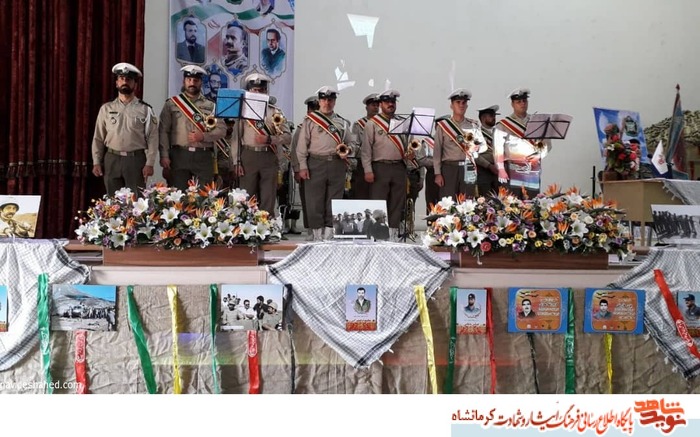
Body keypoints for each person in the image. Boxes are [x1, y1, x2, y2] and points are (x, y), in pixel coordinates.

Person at [91, 62, 158, 196]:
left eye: (129, 79)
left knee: (136, 201)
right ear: (117, 83)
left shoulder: (146, 110)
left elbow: (153, 138)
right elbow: (98, 138)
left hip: (135, 161)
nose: (125, 82)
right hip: (112, 159)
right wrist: (96, 161)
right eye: (121, 79)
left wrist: (150, 163)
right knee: (113, 202)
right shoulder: (106, 109)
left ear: (135, 85)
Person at [296, 86, 352, 240]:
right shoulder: (310, 121)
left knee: (334, 200)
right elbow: (302, 146)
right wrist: (303, 166)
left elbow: (352, 143)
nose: (327, 103)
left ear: (334, 101)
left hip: (336, 164)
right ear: (319, 101)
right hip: (315, 162)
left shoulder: (342, 122)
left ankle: (329, 236)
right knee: (314, 201)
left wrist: (348, 150)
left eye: (330, 100)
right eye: (324, 99)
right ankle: (316, 236)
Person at [231, 72, 291, 215]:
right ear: (249, 91)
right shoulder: (243, 111)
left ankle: (267, 224)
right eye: (255, 90)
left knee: (268, 196)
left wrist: (270, 139)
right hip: (248, 155)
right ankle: (247, 224)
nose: (258, 93)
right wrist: (236, 161)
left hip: (269, 156)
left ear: (266, 91)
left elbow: (288, 137)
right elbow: (236, 138)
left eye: (261, 90)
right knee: (247, 196)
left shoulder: (275, 111)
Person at [159, 64, 227, 190]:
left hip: (203, 156)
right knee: (178, 196)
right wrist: (164, 155)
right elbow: (163, 131)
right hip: (179, 155)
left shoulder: (211, 106)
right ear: (184, 81)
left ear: (201, 82)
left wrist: (204, 136)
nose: (192, 83)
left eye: (196, 80)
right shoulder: (172, 104)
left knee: (203, 197)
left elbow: (222, 130)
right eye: (189, 79)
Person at [361, 89, 408, 241]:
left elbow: (407, 144)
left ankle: (393, 234)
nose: (390, 104)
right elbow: (366, 150)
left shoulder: (402, 122)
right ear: (381, 104)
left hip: (399, 166)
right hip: (379, 167)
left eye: (393, 102)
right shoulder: (372, 123)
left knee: (397, 202)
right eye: (387, 102)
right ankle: (378, 235)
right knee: (378, 202)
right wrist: (368, 170)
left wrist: (411, 153)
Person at [494, 88, 552, 199]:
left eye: (524, 101)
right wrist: (500, 169)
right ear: (512, 104)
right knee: (512, 202)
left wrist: (539, 155)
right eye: (518, 101)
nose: (522, 104)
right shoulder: (503, 125)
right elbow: (498, 149)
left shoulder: (537, 122)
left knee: (532, 201)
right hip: (511, 169)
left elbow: (546, 144)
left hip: (532, 168)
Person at [433, 89, 484, 200]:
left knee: (468, 201)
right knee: (448, 201)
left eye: (464, 102)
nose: (461, 105)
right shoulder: (443, 126)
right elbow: (437, 152)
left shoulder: (473, 125)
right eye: (458, 102)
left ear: (467, 106)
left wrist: (475, 147)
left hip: (468, 167)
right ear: (451, 105)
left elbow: (481, 147)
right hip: (449, 168)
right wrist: (437, 173)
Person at [291, 95, 320, 240]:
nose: (314, 112)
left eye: (316, 109)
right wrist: (297, 169)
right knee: (308, 201)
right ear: (308, 111)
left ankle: (323, 230)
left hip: (320, 166)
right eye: (311, 109)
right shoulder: (301, 127)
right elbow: (295, 150)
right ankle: (310, 229)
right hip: (306, 169)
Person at [348, 93, 379, 200]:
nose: (376, 107)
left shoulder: (384, 124)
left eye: (377, 105)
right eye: (373, 105)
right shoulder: (358, 124)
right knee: (362, 194)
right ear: (367, 107)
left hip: (378, 163)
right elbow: (354, 144)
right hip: (362, 163)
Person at [474, 105, 501, 197]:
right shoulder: (476, 134)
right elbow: (474, 154)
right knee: (485, 199)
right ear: (483, 118)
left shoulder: (499, 132)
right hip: (483, 170)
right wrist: (489, 166)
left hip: (499, 170)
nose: (494, 118)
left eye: (494, 115)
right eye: (491, 116)